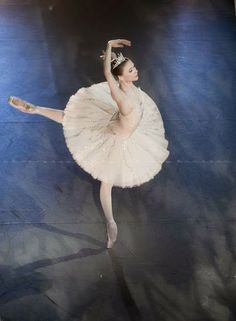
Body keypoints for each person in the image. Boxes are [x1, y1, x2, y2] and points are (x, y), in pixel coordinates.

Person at [8, 39, 170, 248]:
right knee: (105, 182)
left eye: (134, 67)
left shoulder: (129, 89)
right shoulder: (122, 98)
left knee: (74, 119)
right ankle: (111, 223)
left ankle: (35, 109)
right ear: (121, 76)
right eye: (131, 70)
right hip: (115, 138)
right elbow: (107, 76)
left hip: (120, 127)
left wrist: (111, 55)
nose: (136, 71)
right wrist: (110, 45)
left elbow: (110, 72)